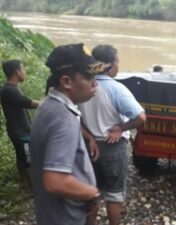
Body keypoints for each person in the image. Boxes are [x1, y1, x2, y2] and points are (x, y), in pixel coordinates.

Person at [30, 43, 107, 225]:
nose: (95, 83)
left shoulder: (48, 106)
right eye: (89, 77)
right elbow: (55, 181)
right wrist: (92, 194)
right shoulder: (63, 118)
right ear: (66, 82)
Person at [78, 44, 146, 225]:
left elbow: (74, 117)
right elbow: (141, 117)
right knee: (114, 194)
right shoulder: (116, 89)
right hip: (112, 147)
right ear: (109, 65)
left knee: (92, 190)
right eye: (117, 62)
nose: (118, 66)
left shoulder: (83, 85)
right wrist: (121, 128)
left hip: (89, 146)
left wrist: (89, 136)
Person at [0, 59, 40, 191]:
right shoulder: (10, 90)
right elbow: (29, 103)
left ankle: (26, 186)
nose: (25, 72)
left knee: (22, 158)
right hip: (20, 132)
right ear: (17, 72)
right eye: (23, 69)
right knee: (28, 161)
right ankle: (33, 189)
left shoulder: (10, 89)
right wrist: (52, 102)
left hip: (18, 130)